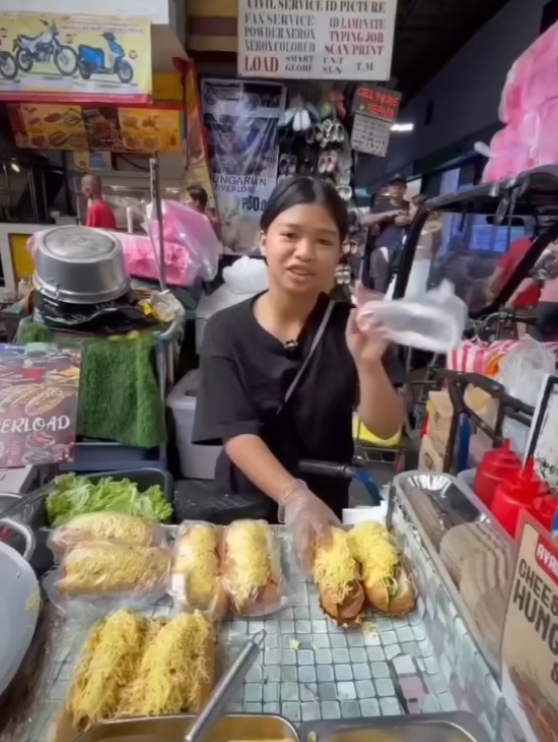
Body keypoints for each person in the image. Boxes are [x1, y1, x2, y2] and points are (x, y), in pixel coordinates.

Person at [193, 176, 403, 564]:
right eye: (290, 235)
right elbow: (236, 433)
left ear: (341, 252)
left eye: (324, 241)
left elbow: (386, 427)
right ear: (264, 241)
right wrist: (292, 495)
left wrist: (368, 363)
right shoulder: (225, 330)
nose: (305, 252)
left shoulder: (353, 326)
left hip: (324, 506)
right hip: (244, 503)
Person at [360, 176, 412, 293]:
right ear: (388, 188)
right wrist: (388, 214)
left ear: (405, 189)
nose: (397, 188)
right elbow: (364, 221)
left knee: (402, 289)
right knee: (380, 290)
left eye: (400, 186)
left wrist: (408, 219)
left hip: (405, 253)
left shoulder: (410, 206)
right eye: (394, 186)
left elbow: (424, 219)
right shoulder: (381, 206)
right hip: (382, 252)